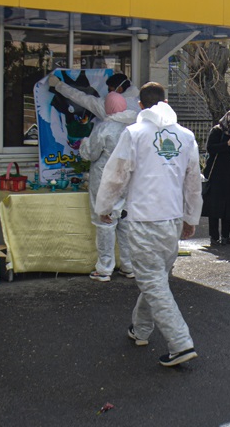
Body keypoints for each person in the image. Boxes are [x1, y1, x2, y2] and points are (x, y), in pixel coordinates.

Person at [94, 82, 203, 367]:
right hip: (172, 219)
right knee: (155, 278)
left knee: (152, 280)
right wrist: (191, 217)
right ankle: (140, 329)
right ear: (166, 101)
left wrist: (105, 207)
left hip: (143, 220)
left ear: (140, 106)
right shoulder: (186, 136)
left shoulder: (134, 134)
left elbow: (115, 175)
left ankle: (180, 343)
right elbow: (193, 182)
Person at [80, 92, 139, 282]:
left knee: (104, 222)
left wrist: (83, 143)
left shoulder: (104, 128)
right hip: (128, 180)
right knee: (125, 222)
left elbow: (90, 153)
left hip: (105, 180)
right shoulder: (134, 127)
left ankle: (105, 268)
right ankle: (129, 265)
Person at [201, 109, 230, 246]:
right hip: (216, 174)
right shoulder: (217, 131)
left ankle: (226, 235)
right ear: (229, 121)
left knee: (228, 205)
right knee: (215, 205)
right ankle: (214, 236)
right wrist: (228, 143)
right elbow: (211, 148)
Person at [48, 71, 138, 119]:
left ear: (119, 89)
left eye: (110, 90)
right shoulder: (137, 101)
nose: (109, 93)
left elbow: (81, 98)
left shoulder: (104, 107)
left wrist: (59, 85)